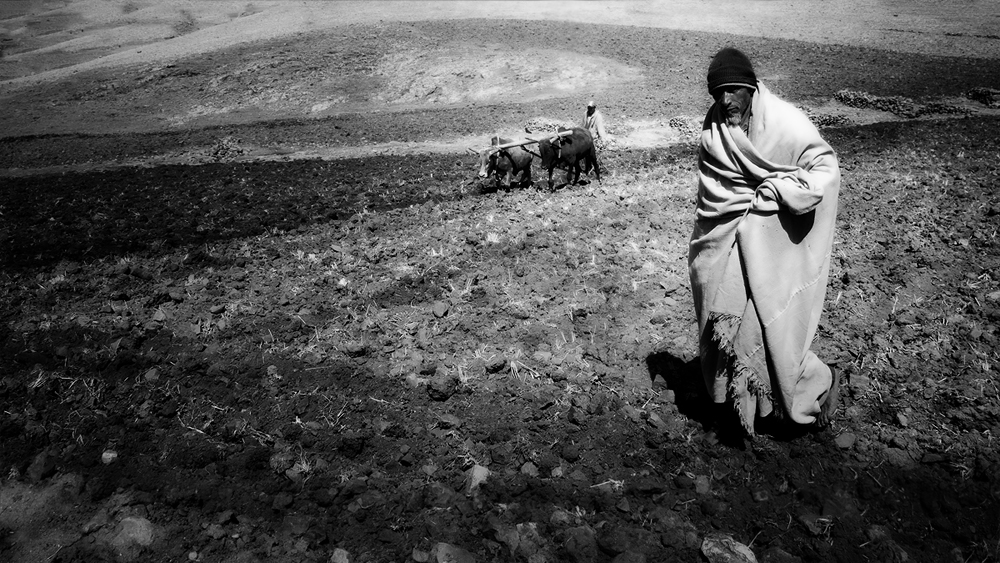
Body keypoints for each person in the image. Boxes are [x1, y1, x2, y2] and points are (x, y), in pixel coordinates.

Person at [688, 47, 841, 439]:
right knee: (720, 314)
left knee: (768, 326)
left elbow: (825, 170)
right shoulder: (715, 126)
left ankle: (815, 385)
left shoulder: (789, 125)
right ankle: (744, 406)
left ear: (752, 88)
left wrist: (780, 193)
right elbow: (715, 193)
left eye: (733, 90)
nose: (725, 101)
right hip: (722, 237)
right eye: (717, 93)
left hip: (772, 240)